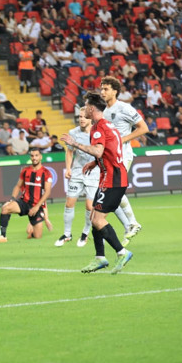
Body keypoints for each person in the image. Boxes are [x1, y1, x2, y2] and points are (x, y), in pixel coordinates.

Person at [61, 92, 133, 274]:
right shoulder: (109, 125)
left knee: (98, 220)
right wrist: (94, 164)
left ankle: (122, 252)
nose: (83, 109)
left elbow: (99, 151)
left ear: (92, 109)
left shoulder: (98, 128)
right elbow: (111, 151)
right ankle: (100, 257)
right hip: (112, 177)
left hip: (113, 180)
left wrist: (75, 144)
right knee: (94, 217)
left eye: (85, 106)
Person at [100, 76, 146, 245]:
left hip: (123, 156)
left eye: (106, 89)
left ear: (115, 91)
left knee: (115, 191)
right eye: (102, 89)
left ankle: (133, 223)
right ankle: (129, 225)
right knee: (112, 194)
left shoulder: (124, 108)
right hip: (108, 159)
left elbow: (144, 128)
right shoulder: (103, 112)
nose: (102, 92)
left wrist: (123, 139)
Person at [55, 107, 100, 248]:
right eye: (79, 116)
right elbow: (69, 152)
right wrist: (68, 168)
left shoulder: (97, 133)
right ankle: (67, 234)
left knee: (89, 206)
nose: (81, 119)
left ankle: (85, 233)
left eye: (84, 117)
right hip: (77, 172)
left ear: (90, 118)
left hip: (93, 173)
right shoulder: (73, 133)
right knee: (69, 203)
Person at [0, 148, 52, 243]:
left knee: (38, 236)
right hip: (24, 202)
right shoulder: (25, 170)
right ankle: (3, 237)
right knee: (5, 208)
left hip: (36, 206)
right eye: (32, 156)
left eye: (36, 155)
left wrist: (37, 207)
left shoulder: (46, 173)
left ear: (40, 157)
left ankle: (32, 232)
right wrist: (12, 199)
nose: (34, 158)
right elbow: (17, 186)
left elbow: (47, 192)